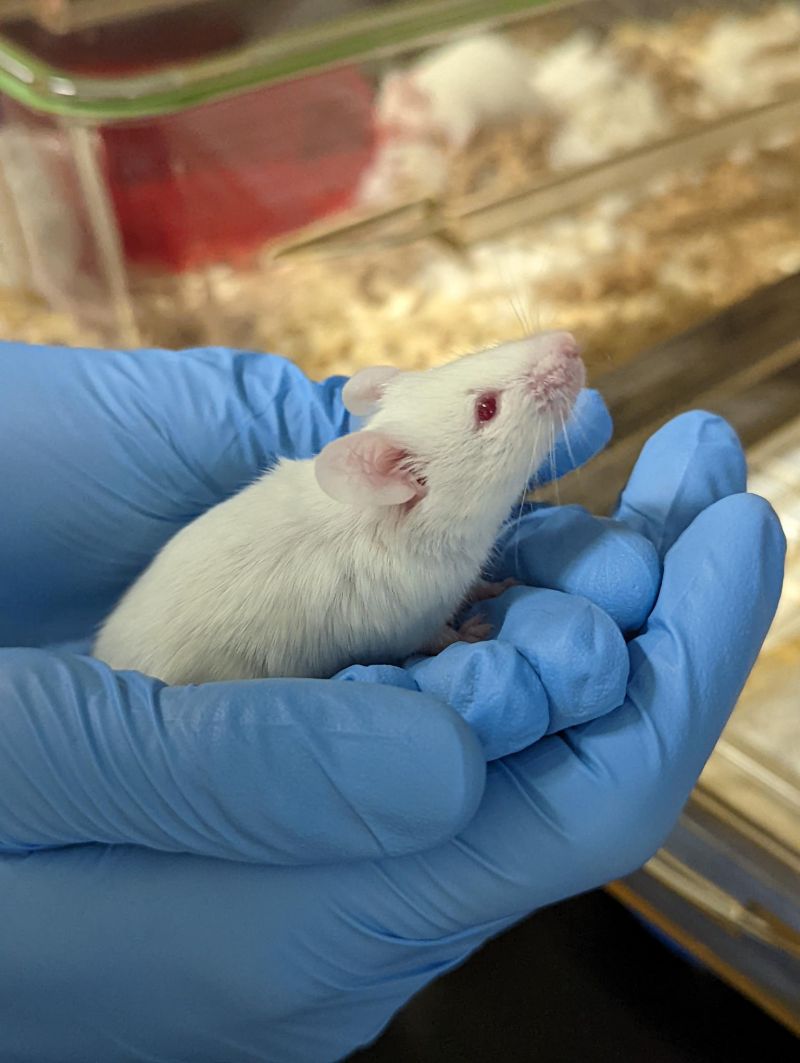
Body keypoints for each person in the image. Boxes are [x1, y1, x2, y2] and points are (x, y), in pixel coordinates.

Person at [0, 340, 784, 1063]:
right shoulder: (403, 540)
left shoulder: (419, 508)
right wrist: (442, 631)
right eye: (486, 408)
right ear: (401, 480)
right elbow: (390, 612)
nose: (556, 357)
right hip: (186, 692)